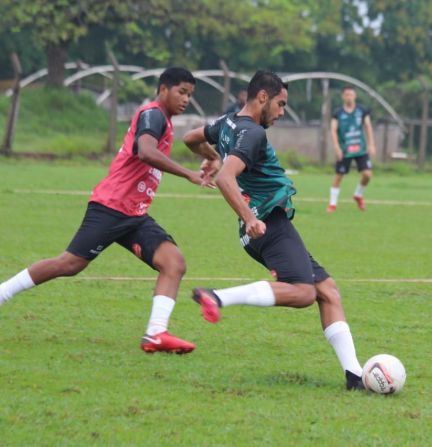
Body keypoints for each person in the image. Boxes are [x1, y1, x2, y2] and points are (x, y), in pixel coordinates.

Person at [0, 67, 220, 354]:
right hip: (111, 206)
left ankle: (155, 334)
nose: (186, 99)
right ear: (163, 89)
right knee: (69, 264)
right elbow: (146, 151)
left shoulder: (163, 121)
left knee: (173, 263)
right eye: (181, 92)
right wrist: (189, 174)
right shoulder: (152, 114)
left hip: (134, 214)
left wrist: (213, 157)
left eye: (190, 95)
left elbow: (191, 142)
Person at [183, 70, 366, 390]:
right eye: (280, 104)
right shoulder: (252, 133)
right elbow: (227, 179)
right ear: (263, 97)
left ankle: (355, 377)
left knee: (327, 291)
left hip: (260, 226)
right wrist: (249, 216)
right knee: (304, 292)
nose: (282, 112)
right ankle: (217, 297)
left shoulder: (226, 122)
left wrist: (211, 158)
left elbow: (190, 139)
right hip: (267, 223)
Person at [327, 86, 376, 212]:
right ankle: (332, 204)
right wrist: (337, 147)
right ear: (343, 96)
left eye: (351, 94)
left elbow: (368, 127)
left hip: (361, 149)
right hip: (345, 150)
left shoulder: (362, 110)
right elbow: (333, 130)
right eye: (346, 94)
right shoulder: (338, 113)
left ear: (355, 96)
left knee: (368, 174)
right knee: (339, 175)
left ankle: (358, 195)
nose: (349, 96)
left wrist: (371, 144)